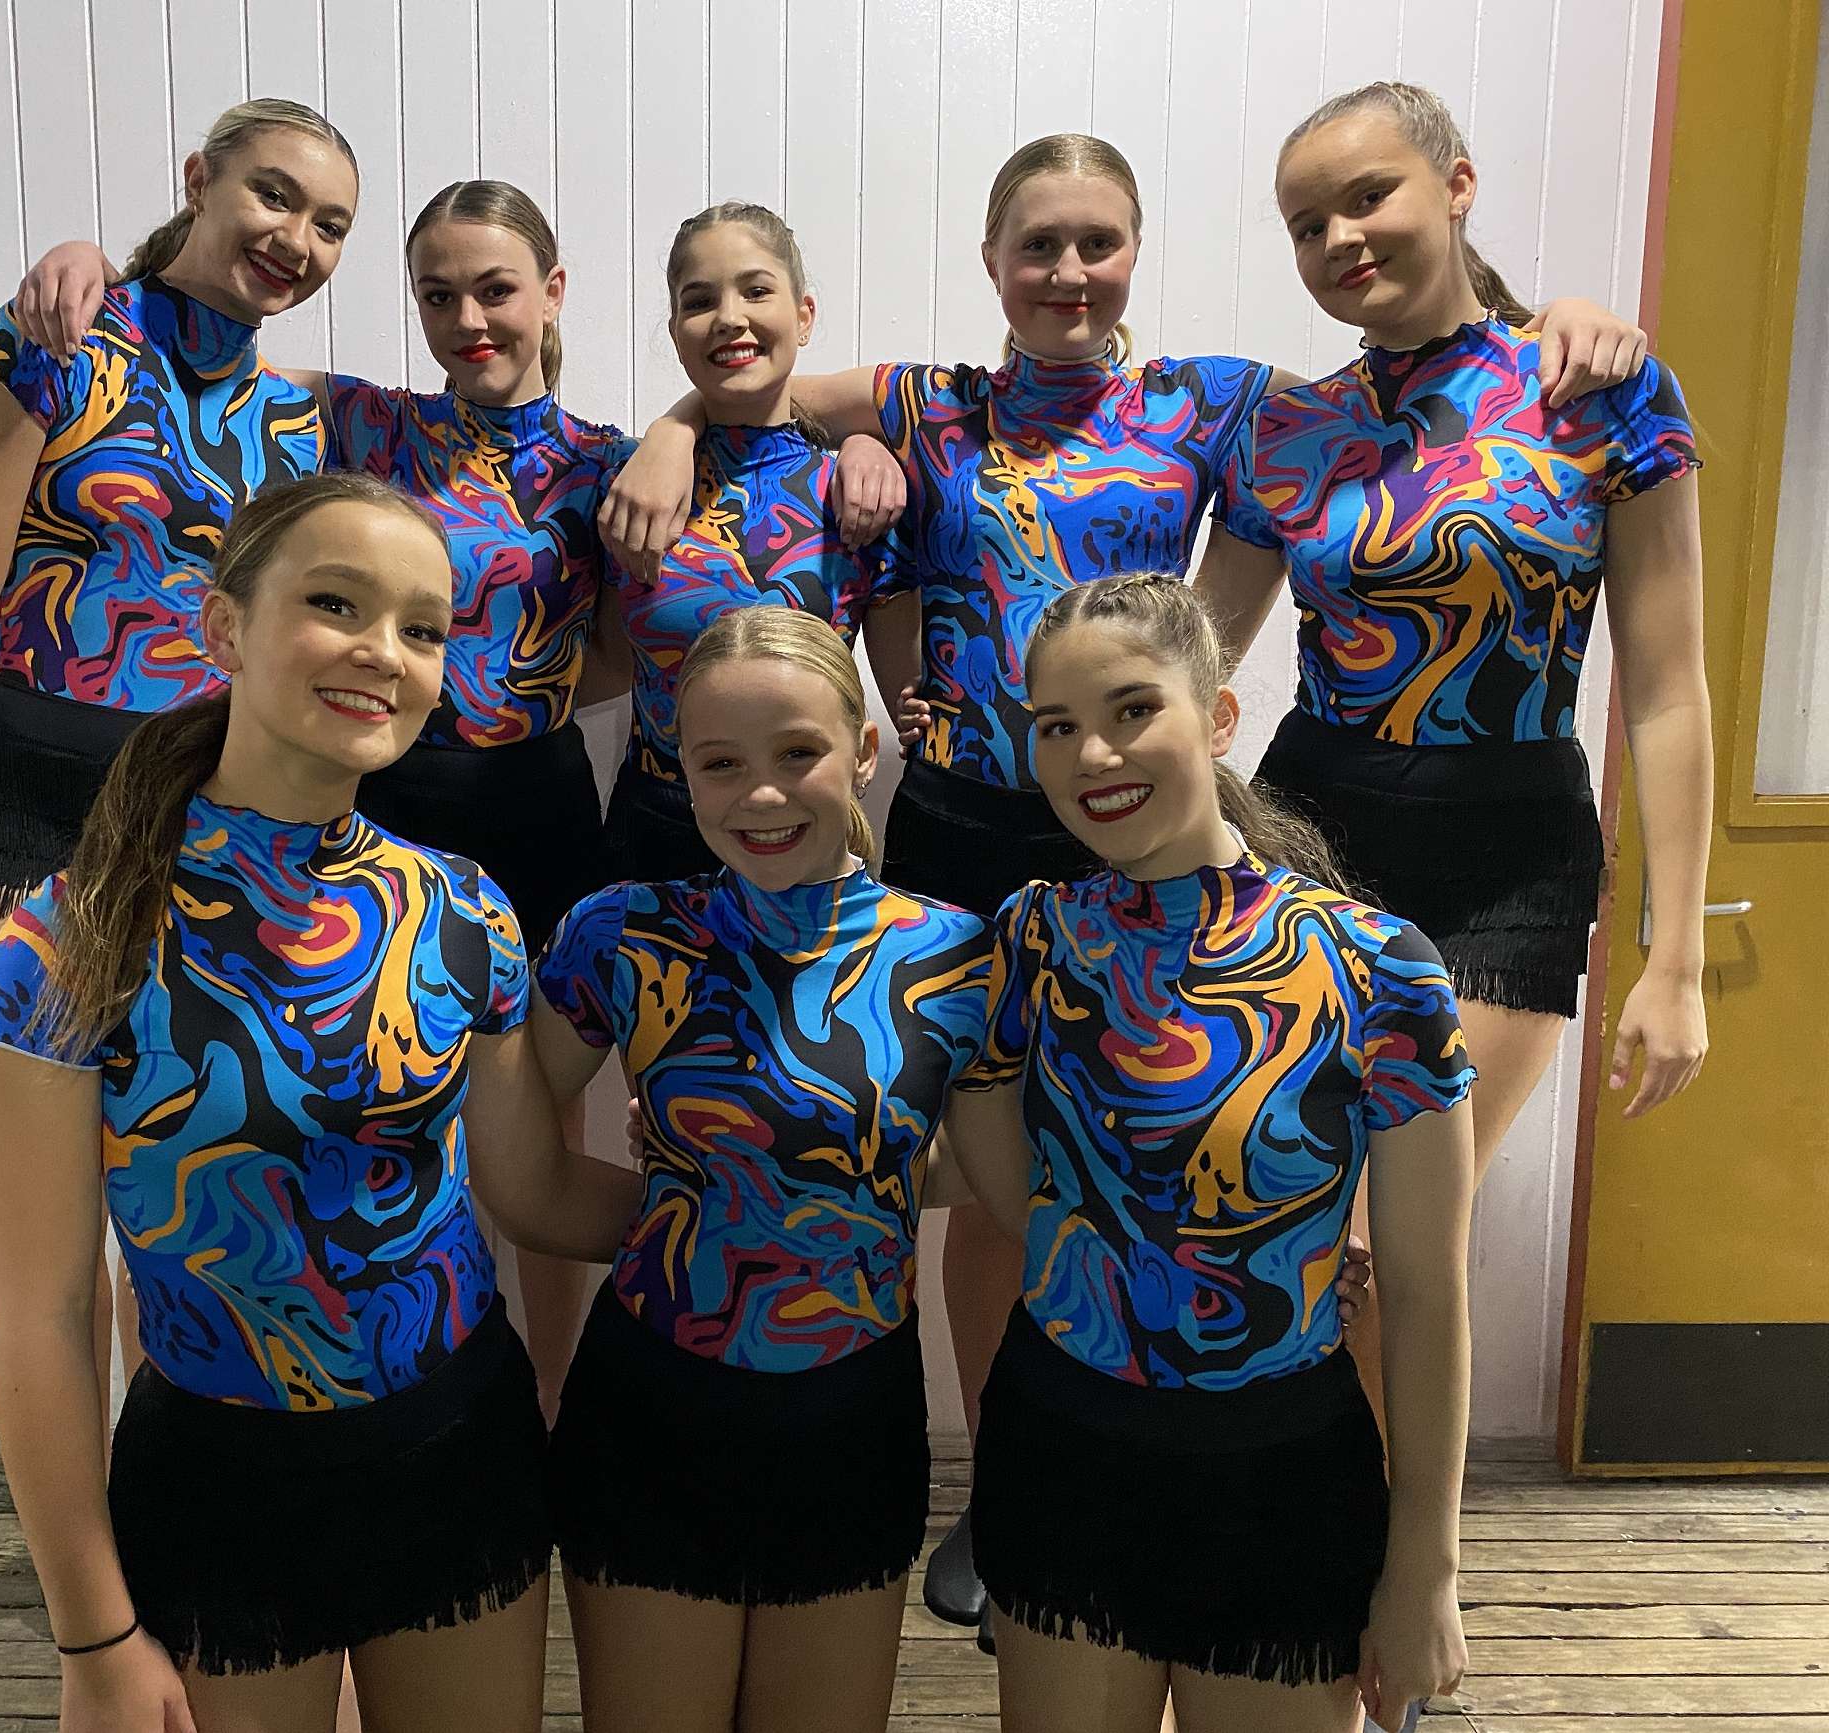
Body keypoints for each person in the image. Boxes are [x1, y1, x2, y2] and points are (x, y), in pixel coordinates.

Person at [598, 130, 1636, 1633]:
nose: (1068, 272)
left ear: (1137, 250)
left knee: (1223, 1173)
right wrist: (667, 432)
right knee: (993, 1180)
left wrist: (1560, 323)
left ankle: (1338, 1522)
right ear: (992, 262)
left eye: (1097, 242)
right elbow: (754, 376)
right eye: (1038, 245)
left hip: (1130, 824)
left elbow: (1413, 375)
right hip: (962, 823)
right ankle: (1003, 1480)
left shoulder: (1210, 401)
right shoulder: (929, 403)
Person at [0, 472, 605, 1731]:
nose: (383, 651)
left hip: (458, 1453)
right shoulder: (69, 939)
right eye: (335, 603)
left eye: (423, 628)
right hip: (218, 1486)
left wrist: (755, 1206)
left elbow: (532, 1187)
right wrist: (93, 1633)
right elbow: (41, 1316)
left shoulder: (464, 911)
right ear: (224, 628)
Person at [7, 178, 637, 1411]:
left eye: (495, 290)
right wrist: (99, 262)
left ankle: (547, 1405)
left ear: (552, 292)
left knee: (537, 1124)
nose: (468, 320)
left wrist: (527, 679)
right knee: (271, 1096)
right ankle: (186, 1395)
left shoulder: (609, 463)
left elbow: (622, 641)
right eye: (438, 296)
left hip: (540, 800)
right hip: (385, 795)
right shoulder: (362, 421)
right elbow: (198, 348)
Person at [943, 574, 1475, 1733]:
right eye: (1055, 725)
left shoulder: (1378, 969)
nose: (1091, 754)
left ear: (1218, 716)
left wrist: (1423, 1568)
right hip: (1062, 1458)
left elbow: (1426, 1290)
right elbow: (1014, 1191)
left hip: (1281, 1486)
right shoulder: (1031, 940)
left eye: (1131, 709)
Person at [1205, 82, 1710, 1192]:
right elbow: (1196, 669)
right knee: (1290, 1207)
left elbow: (1668, 691)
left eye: (1367, 196)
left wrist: (1675, 957)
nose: (1339, 238)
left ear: (1456, 184)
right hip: (1310, 834)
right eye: (1306, 225)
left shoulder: (1598, 393)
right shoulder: (1288, 429)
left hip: (1509, 850)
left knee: (1402, 1224)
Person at [513, 609, 997, 1733]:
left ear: (864, 752)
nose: (761, 793)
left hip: (854, 1422)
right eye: (720, 762)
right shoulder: (621, 935)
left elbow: (978, 1166)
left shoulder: (953, 955)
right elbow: (516, 1141)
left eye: (797, 752)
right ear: (678, 769)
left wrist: (809, 1182)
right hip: (653, 1412)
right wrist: (680, 1208)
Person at [0, 97, 356, 1008]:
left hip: (214, 805)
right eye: (274, 195)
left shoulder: (301, 418)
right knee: (33, 1088)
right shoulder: (51, 339)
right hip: (37, 799)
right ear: (198, 181)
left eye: (329, 226)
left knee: (184, 1100)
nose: (297, 239)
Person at [599, 202, 903, 884]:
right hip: (656, 829)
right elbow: (597, 655)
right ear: (676, 332)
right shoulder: (627, 481)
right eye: (699, 300)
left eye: (756, 290)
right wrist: (671, 431)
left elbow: (908, 695)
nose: (729, 316)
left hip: (802, 824)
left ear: (804, 314)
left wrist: (868, 442)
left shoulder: (858, 490)